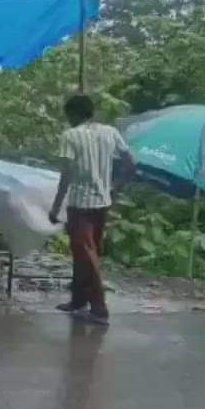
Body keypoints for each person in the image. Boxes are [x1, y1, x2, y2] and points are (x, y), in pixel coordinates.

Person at [49, 94, 135, 325]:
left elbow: (66, 174)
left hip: (80, 204)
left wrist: (56, 206)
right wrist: (115, 188)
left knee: (86, 253)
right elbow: (130, 163)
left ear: (73, 114)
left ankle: (99, 307)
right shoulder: (110, 132)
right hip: (102, 203)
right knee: (84, 252)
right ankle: (78, 300)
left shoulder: (70, 136)